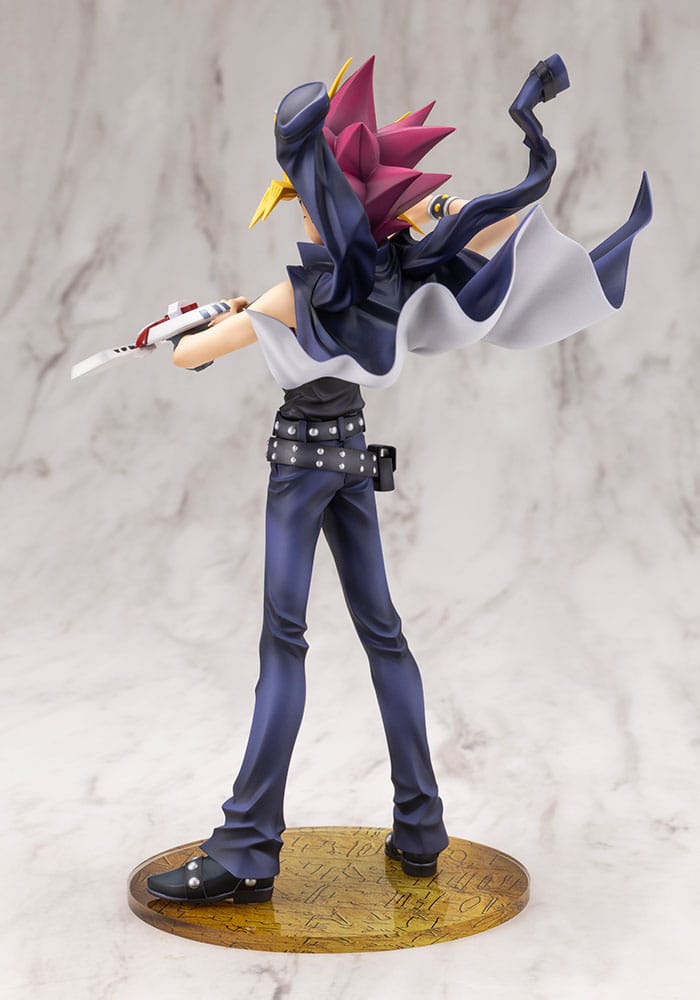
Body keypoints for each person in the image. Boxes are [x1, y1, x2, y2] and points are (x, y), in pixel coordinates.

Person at [146, 54, 651, 904]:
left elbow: (191, 356)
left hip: (301, 470)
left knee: (284, 645)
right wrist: (444, 208)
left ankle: (247, 848)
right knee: (385, 637)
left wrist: (187, 331)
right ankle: (420, 827)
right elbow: (472, 228)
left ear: (323, 202)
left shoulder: (293, 292)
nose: (299, 209)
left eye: (303, 196)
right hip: (353, 461)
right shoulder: (393, 274)